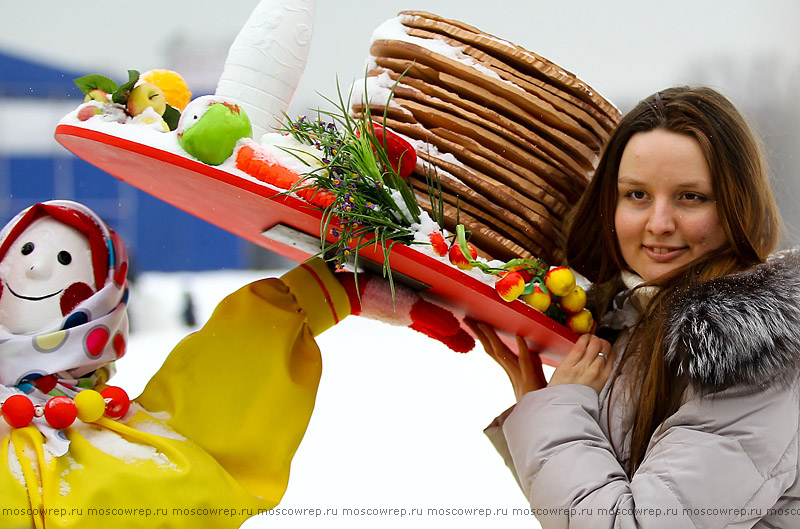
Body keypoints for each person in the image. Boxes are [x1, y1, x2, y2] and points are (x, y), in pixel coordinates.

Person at [0, 200, 472, 529]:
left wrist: (329, 294)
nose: (38, 271)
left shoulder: (145, 438)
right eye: (24, 253)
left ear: (105, 299)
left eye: (63, 259)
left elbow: (222, 378)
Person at [467, 86, 800, 528]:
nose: (658, 224)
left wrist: (555, 415)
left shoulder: (753, 357)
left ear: (737, 205)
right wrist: (543, 407)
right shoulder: (630, 320)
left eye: (690, 197)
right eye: (637, 195)